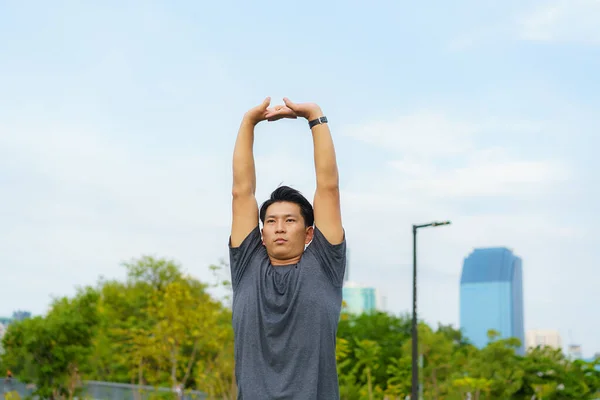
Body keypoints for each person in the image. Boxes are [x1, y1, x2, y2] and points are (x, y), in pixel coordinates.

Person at [229, 97, 346, 399]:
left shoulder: (324, 264)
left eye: (290, 220)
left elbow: (328, 188)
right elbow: (242, 192)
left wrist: (315, 117)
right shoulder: (247, 265)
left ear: (309, 233)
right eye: (271, 221)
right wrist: (248, 122)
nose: (279, 227)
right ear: (262, 232)